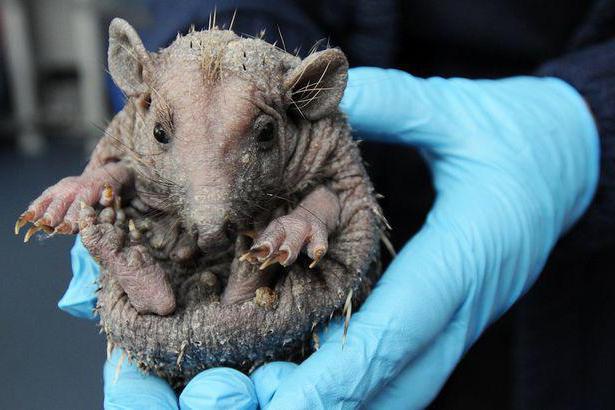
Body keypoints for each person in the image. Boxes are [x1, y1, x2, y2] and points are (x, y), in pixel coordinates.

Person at [59, 1, 615, 408]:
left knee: (281, 269)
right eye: (160, 129)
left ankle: (231, 286)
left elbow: (333, 196)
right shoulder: (157, 120)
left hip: (558, 273)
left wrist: (584, 119)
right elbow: (124, 165)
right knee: (149, 237)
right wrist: (237, 27)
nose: (210, 209)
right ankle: (143, 282)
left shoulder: (310, 144)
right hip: (235, 123)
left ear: (311, 93)